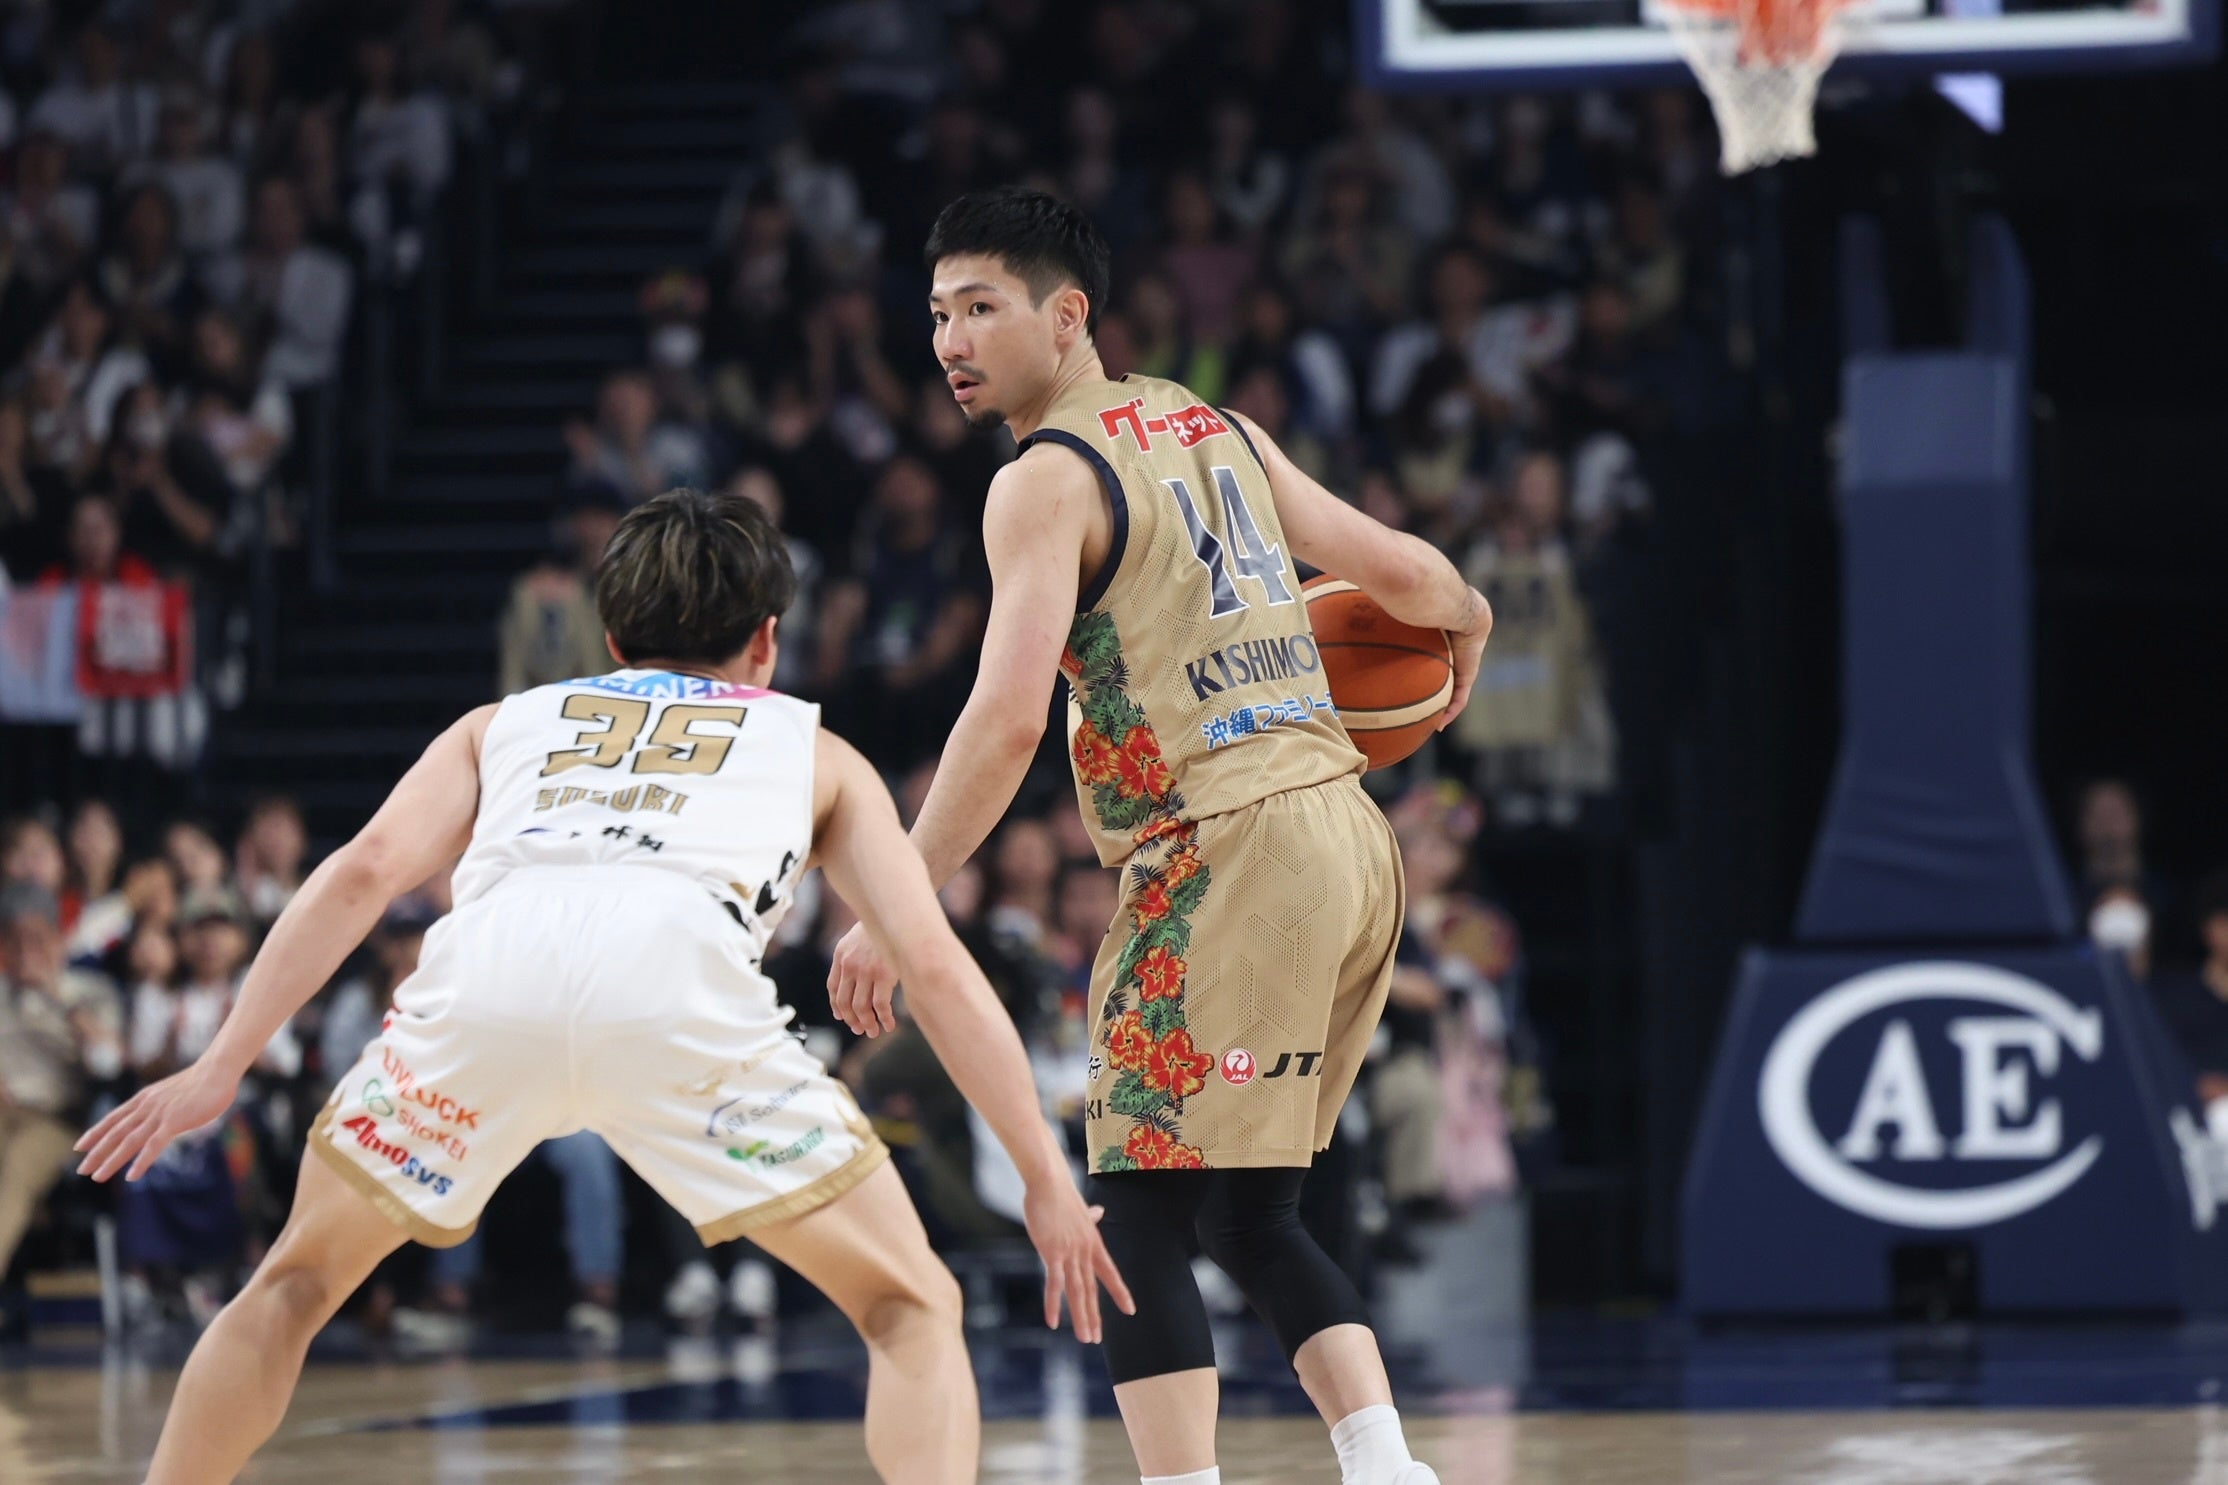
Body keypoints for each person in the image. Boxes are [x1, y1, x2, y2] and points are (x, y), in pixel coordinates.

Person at [78, 485, 1129, 1485]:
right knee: (910, 1307)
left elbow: (360, 872)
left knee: (292, 1286)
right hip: (678, 1002)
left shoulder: (501, 723)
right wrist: (1044, 1175)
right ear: (767, 641)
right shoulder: (817, 751)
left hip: (486, 990)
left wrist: (220, 1064)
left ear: (612, 639)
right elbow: (932, 968)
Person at [829, 188, 1492, 1485]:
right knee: (1250, 1212)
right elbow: (1404, 576)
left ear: (1065, 315)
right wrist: (1464, 620)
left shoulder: (1040, 480)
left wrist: (892, 899)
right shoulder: (1214, 425)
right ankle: (1387, 1469)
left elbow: (1006, 718)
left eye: (981, 308)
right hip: (1347, 839)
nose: (951, 341)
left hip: (1223, 847)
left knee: (1130, 1208)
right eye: (938, 314)